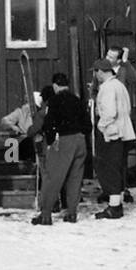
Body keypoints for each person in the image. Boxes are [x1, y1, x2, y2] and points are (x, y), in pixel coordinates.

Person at [31, 73, 91, 226]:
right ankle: (72, 213)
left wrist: (51, 141)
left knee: (53, 178)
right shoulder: (77, 100)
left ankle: (45, 214)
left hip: (64, 141)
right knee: (75, 178)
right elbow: (88, 125)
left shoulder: (54, 100)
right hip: (80, 140)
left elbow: (49, 124)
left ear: (55, 86)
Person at [92, 58, 135, 220]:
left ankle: (114, 206)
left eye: (96, 72)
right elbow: (127, 109)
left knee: (108, 168)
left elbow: (109, 112)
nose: (95, 76)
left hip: (111, 134)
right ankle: (116, 202)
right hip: (123, 132)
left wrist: (101, 126)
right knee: (116, 167)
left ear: (100, 72)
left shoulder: (108, 88)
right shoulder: (120, 86)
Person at [106, 45, 136, 203]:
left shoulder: (124, 70)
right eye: (107, 55)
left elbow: (134, 79)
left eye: (111, 57)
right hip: (107, 117)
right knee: (108, 156)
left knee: (121, 156)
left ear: (119, 59)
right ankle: (110, 188)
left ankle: (122, 188)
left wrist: (126, 63)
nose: (107, 59)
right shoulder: (101, 69)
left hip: (122, 118)